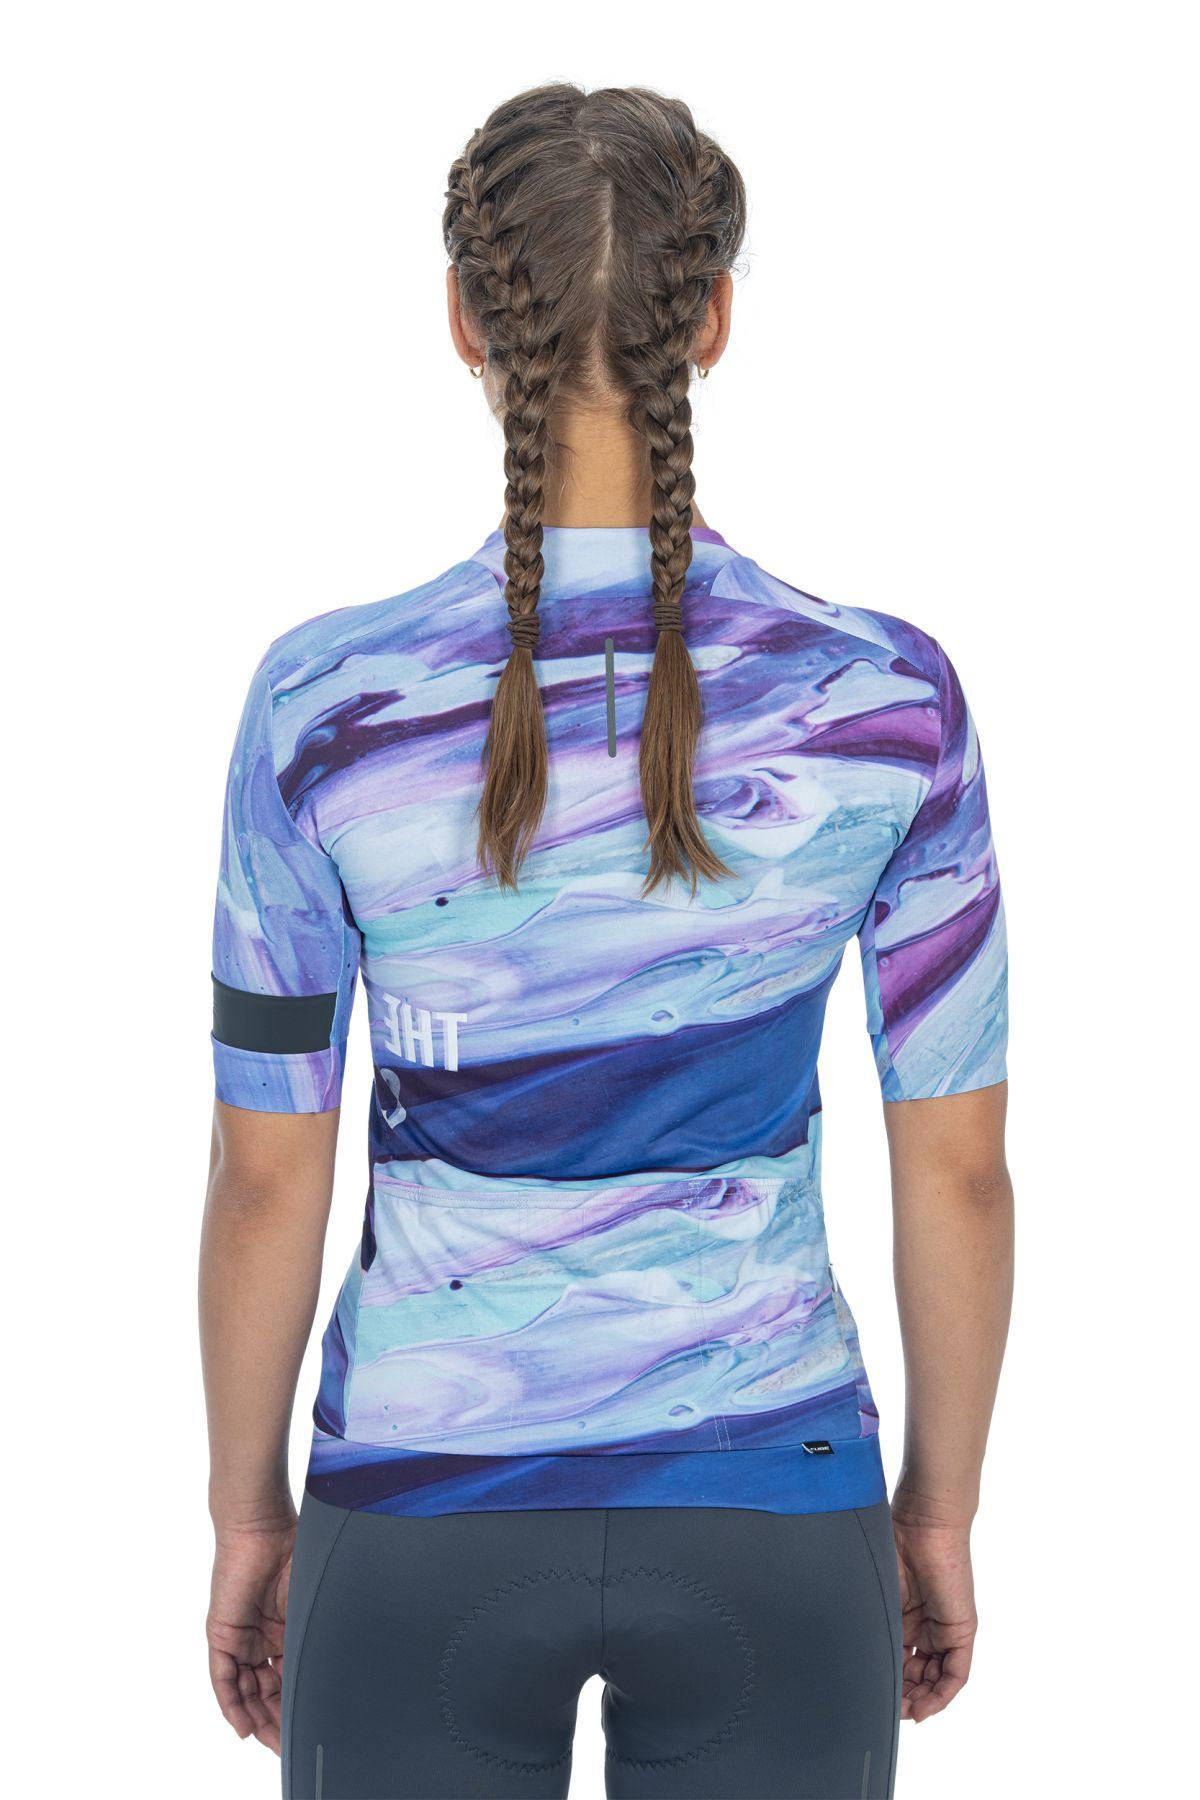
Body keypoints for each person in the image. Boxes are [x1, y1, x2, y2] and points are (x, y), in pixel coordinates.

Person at [200, 83, 1013, 1800]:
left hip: (416, 1510)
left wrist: (248, 1512)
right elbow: (957, 1173)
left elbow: (268, 1177)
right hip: (776, 1507)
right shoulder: (885, 703)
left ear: (461, 319)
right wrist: (936, 1513)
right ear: (711, 318)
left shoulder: (322, 709)